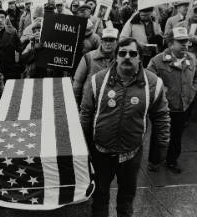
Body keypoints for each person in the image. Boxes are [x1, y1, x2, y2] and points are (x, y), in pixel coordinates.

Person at [80, 37, 170, 217]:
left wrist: (161, 147)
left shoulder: (153, 84)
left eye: (132, 53)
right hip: (101, 153)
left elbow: (161, 117)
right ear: (116, 57)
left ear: (140, 57)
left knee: (126, 201)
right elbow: (86, 113)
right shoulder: (97, 80)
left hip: (131, 155)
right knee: (99, 199)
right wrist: (84, 147)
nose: (127, 57)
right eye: (122, 53)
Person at [147, 27, 197, 173]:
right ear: (170, 43)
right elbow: (149, 81)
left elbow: (195, 77)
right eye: (180, 42)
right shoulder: (157, 61)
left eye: (186, 41)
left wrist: (192, 91)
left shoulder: (192, 59)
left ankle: (172, 160)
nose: (185, 45)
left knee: (177, 135)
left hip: (183, 107)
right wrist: (162, 94)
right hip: (164, 107)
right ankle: (154, 161)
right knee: (158, 135)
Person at [73, 27, 118, 105]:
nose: (108, 43)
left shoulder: (120, 60)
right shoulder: (88, 57)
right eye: (105, 40)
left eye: (111, 40)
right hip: (89, 103)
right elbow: (77, 83)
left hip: (111, 104)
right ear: (101, 41)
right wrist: (74, 103)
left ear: (116, 42)